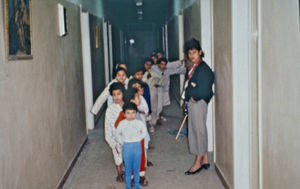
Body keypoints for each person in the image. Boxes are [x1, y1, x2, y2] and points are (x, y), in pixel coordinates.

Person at [183, 38, 214, 175]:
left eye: (194, 52)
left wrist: (194, 97)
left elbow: (207, 91)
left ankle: (198, 161)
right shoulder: (194, 67)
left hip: (198, 103)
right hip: (193, 102)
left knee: (197, 131)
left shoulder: (204, 69)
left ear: (200, 52)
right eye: (189, 53)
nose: (192, 56)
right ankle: (205, 158)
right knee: (199, 130)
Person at [116, 102, 147, 189]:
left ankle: (137, 186)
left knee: (136, 168)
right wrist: (122, 141)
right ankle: (128, 186)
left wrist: (138, 139)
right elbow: (118, 134)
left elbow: (144, 132)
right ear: (124, 114)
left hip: (137, 147)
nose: (131, 115)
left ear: (136, 113)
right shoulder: (122, 124)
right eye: (128, 113)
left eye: (133, 113)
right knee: (128, 169)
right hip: (126, 147)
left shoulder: (139, 123)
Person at [151, 57, 186, 125]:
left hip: (161, 90)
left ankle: (158, 118)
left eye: (165, 64)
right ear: (158, 64)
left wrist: (188, 69)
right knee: (154, 106)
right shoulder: (154, 68)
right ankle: (153, 121)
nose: (163, 66)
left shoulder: (167, 70)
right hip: (153, 89)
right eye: (161, 64)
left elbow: (177, 70)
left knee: (160, 106)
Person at [104, 82, 126, 182]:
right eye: (114, 95)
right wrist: (112, 143)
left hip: (128, 137)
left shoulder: (128, 106)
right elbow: (107, 128)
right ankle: (119, 174)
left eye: (119, 94)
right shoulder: (110, 110)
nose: (116, 97)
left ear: (123, 94)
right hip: (116, 138)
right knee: (118, 157)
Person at [142, 58, 164, 132]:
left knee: (153, 107)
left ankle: (152, 124)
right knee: (142, 108)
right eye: (147, 64)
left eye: (150, 65)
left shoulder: (152, 72)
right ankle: (142, 123)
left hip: (152, 90)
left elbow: (161, 77)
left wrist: (158, 84)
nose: (148, 66)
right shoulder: (140, 72)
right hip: (142, 92)